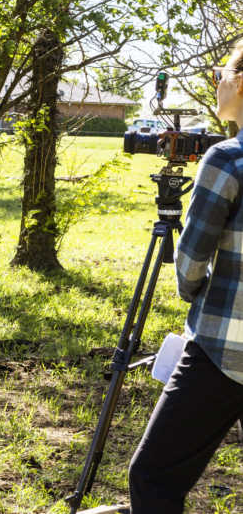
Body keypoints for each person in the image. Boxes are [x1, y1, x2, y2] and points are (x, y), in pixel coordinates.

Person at [127, 40, 243, 512]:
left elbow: (192, 258)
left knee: (153, 477)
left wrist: (192, 291)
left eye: (223, 71)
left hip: (224, 349)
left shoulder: (227, 159)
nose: (217, 80)